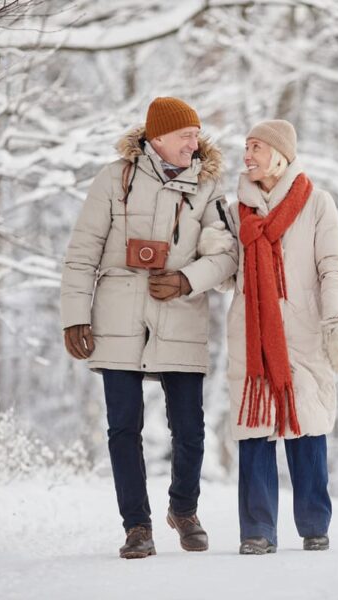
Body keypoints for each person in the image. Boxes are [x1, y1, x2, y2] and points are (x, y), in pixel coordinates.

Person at [60, 97, 237, 559]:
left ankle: (184, 508)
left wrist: (185, 280)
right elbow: (82, 253)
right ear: (156, 138)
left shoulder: (209, 186)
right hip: (117, 317)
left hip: (180, 316)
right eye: (185, 135)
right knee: (123, 428)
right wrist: (75, 316)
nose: (193, 144)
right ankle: (137, 526)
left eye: (196, 135)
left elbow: (225, 255)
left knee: (190, 428)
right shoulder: (113, 180)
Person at [225, 119, 338, 554]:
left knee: (308, 426)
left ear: (280, 154)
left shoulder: (317, 204)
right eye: (246, 147)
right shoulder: (235, 213)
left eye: (256, 147)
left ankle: (314, 523)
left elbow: (332, 266)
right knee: (254, 427)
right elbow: (224, 268)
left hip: (302, 330)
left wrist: (337, 323)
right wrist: (185, 277)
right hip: (252, 333)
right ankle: (257, 531)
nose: (247, 156)